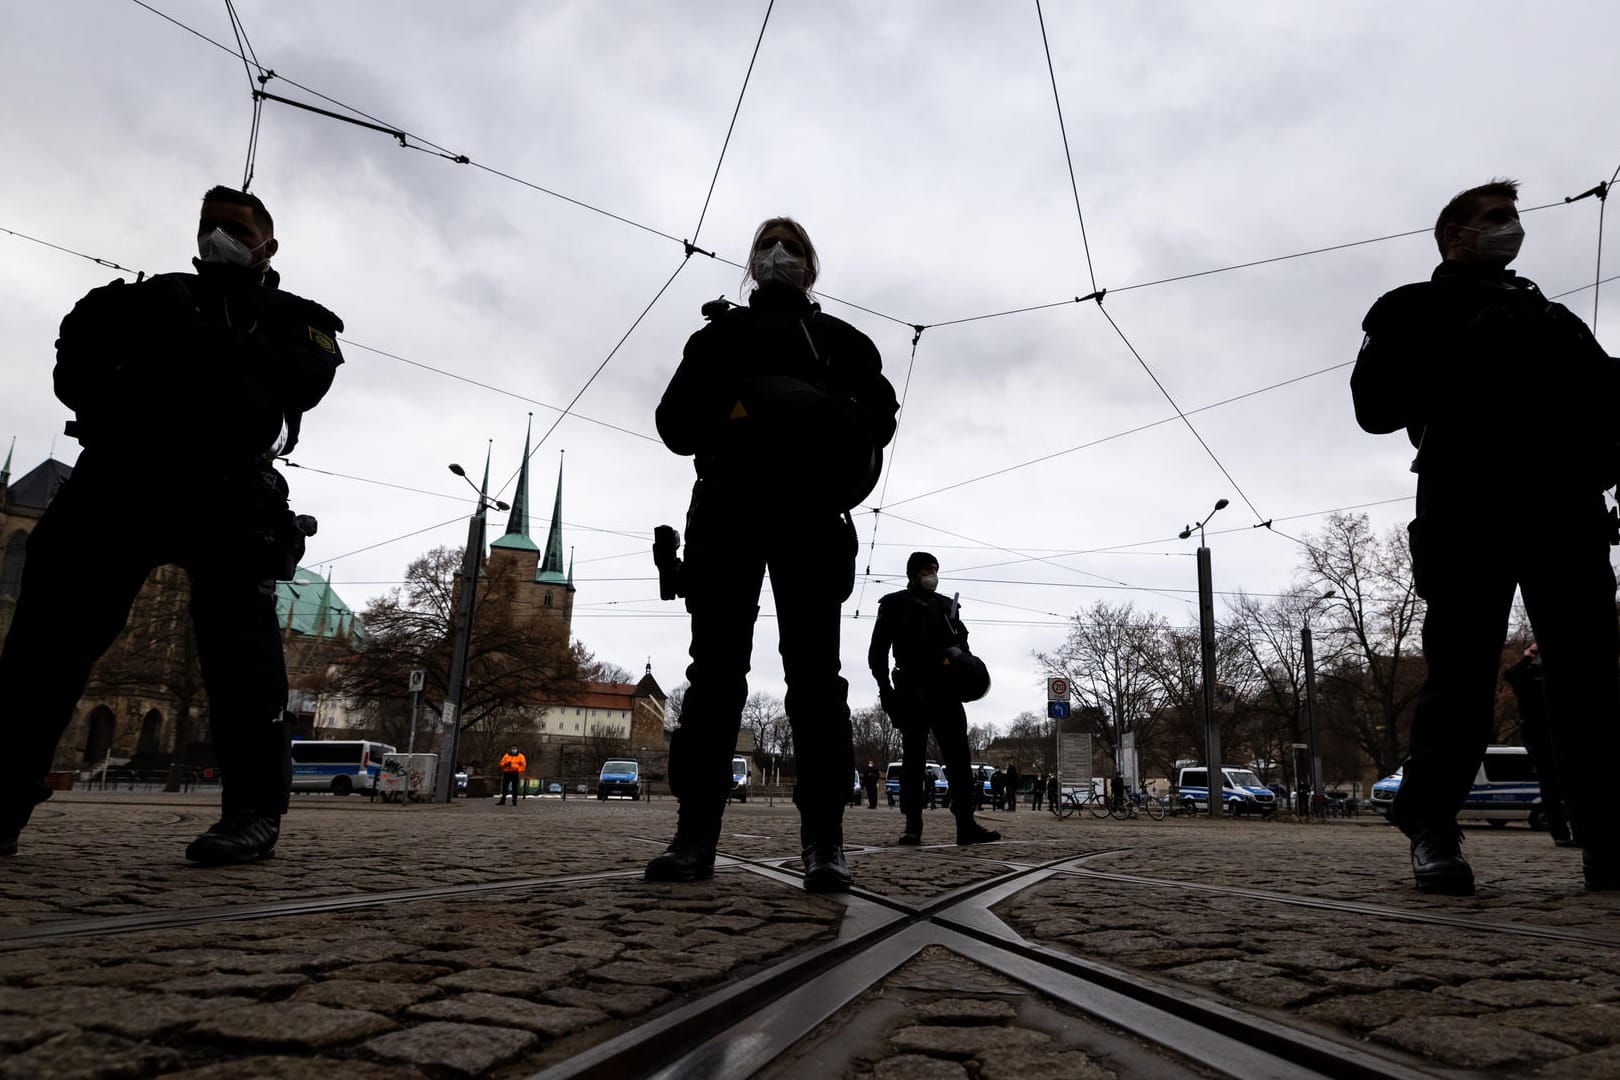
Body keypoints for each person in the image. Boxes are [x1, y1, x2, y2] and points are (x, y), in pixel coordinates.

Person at [0, 186, 343, 863]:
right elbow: (74, 370)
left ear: (266, 245)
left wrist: (188, 355)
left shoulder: (294, 318)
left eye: (236, 229)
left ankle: (251, 811)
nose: (220, 236)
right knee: (44, 647)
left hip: (225, 490)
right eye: (210, 226)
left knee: (243, 659)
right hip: (117, 480)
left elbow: (302, 382)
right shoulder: (138, 299)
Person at [1352, 177, 1620, 894]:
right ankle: (1433, 826)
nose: (1510, 228)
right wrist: (1462, 347)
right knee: (1460, 676)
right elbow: (1373, 409)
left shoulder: (1554, 320)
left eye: (1513, 218)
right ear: (1455, 236)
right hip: (1467, 506)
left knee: (1593, 679)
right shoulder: (1412, 308)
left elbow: (1609, 400)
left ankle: (1607, 837)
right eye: (1494, 218)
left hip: (1566, 508)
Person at [646, 217, 899, 892]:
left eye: (791, 248)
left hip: (812, 513)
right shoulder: (719, 335)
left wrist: (820, 410)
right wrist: (743, 408)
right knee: (715, 676)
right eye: (766, 246)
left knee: (817, 682)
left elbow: (880, 419)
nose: (778, 255)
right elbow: (674, 423)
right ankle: (694, 836)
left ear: (811, 268)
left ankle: (825, 841)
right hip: (727, 509)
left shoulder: (843, 342)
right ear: (751, 263)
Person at [869, 552, 999, 846]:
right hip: (912, 689)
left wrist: (963, 663)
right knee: (913, 759)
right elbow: (877, 652)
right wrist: (885, 690)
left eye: (936, 569)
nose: (933, 574)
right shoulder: (894, 604)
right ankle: (912, 825)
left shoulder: (946, 606)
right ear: (914, 573)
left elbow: (963, 645)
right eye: (928, 569)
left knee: (959, 759)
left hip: (946, 690)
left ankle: (966, 823)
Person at [1502, 645, 1575, 847]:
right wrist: (1528, 656)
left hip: (1563, 735)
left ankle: (1578, 832)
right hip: (1539, 736)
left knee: (1570, 786)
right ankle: (1560, 833)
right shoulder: (1529, 675)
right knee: (1550, 786)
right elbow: (1510, 674)